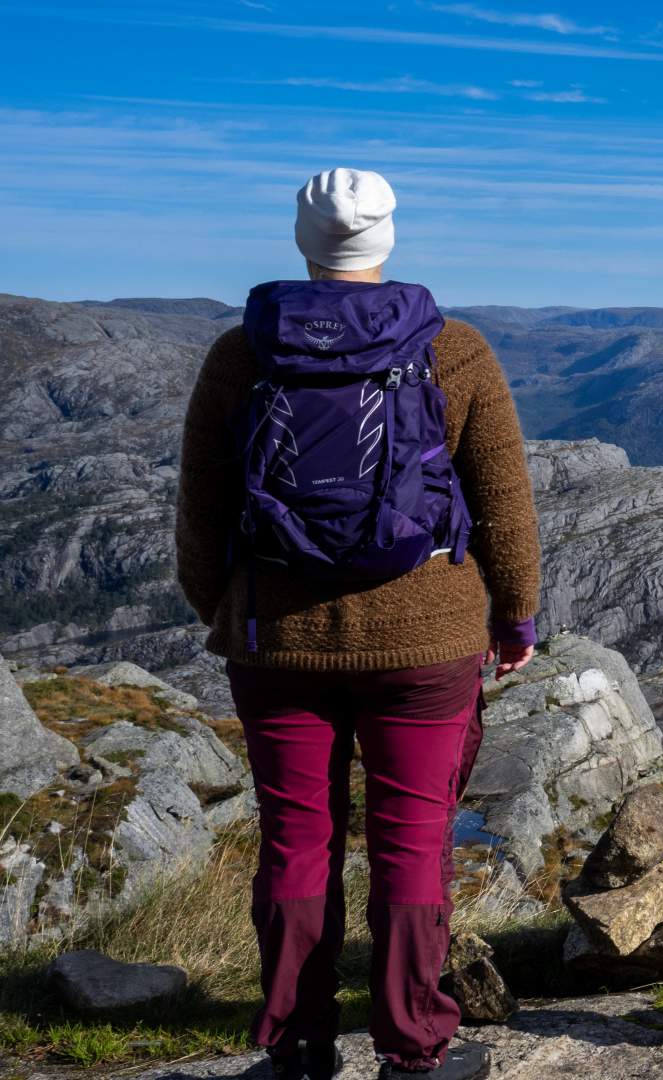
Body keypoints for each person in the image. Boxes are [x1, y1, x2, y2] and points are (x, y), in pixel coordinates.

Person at [175, 169, 538, 1080]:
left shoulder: (239, 354)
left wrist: (227, 612)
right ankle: (413, 1048)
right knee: (413, 841)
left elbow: (200, 515)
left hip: (277, 644)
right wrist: (516, 614)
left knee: (297, 840)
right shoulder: (456, 350)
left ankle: (297, 1046)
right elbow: (503, 505)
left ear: (303, 239)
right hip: (426, 643)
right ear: (386, 240)